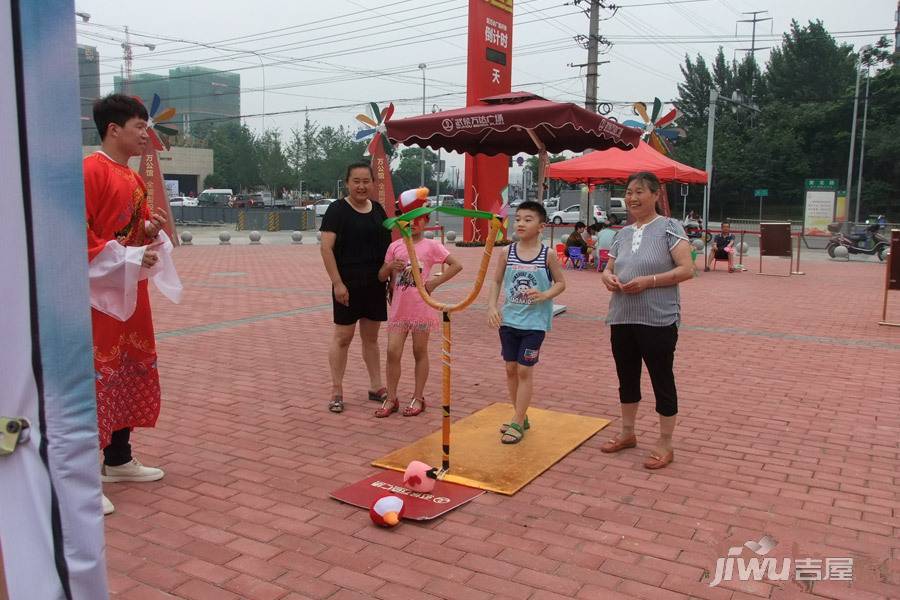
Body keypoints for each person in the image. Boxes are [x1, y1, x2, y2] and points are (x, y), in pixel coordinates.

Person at [84, 94, 181, 516]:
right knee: (96, 377)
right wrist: (128, 253)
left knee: (125, 369)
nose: (147, 135)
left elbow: (123, 230)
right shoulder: (89, 171)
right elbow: (78, 235)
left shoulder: (134, 178)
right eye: (140, 127)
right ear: (113, 130)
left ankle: (119, 457)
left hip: (128, 292)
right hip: (97, 298)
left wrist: (147, 231)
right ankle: (83, 476)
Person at [599, 172, 693, 470]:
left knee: (661, 379)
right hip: (622, 316)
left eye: (639, 191)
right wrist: (608, 277)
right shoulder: (622, 233)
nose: (632, 198)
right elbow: (608, 267)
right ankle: (627, 433)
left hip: (658, 319)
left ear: (656, 195)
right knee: (626, 377)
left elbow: (686, 269)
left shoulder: (669, 228)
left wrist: (649, 281)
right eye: (628, 192)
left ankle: (665, 442)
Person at [376, 189, 463, 418]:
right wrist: (389, 268)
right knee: (392, 351)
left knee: (419, 351)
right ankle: (391, 397)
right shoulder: (395, 247)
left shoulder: (431, 246)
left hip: (422, 309)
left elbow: (456, 265)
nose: (412, 224)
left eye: (417, 220)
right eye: (407, 220)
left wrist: (434, 285)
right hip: (399, 310)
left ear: (425, 221)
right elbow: (381, 276)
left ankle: (418, 396)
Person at [488, 201, 566, 443]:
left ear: (541, 226)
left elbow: (561, 283)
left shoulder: (548, 254)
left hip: (535, 323)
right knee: (510, 369)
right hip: (509, 321)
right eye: (518, 218)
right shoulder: (506, 252)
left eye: (528, 219)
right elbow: (496, 281)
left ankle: (517, 422)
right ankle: (520, 417)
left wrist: (545, 295)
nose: (521, 223)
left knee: (524, 369)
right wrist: (491, 306)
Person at [320, 162, 392, 413]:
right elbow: (326, 248)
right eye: (356, 181)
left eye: (366, 181)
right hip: (347, 283)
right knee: (343, 337)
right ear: (347, 183)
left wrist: (390, 279)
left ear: (373, 183)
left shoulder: (379, 211)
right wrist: (337, 283)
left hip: (374, 283)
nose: (361, 186)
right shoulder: (337, 210)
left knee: (371, 339)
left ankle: (376, 386)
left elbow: (388, 250)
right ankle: (336, 390)